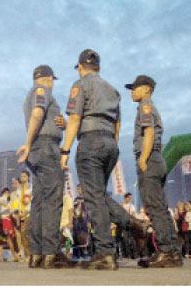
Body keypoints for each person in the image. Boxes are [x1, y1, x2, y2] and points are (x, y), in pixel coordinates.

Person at [60, 49, 121, 270]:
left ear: (79, 67)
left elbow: (75, 117)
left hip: (90, 142)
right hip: (110, 144)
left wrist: (65, 150)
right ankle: (132, 225)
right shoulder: (112, 90)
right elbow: (117, 125)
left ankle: (105, 253)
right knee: (100, 197)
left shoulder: (80, 84)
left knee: (94, 199)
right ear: (99, 68)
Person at [125, 75, 182, 268]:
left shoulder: (145, 106)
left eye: (135, 88)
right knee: (160, 207)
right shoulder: (148, 106)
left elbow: (148, 132)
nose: (132, 91)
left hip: (150, 158)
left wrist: (143, 158)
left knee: (153, 207)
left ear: (147, 89)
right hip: (158, 159)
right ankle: (173, 251)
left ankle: (165, 250)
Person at [16, 64, 68, 269]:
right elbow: (38, 114)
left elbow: (40, 116)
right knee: (52, 201)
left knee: (39, 201)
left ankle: (36, 254)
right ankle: (51, 253)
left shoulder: (29, 95)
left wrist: (60, 125)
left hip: (38, 149)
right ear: (49, 79)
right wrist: (28, 143)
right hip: (45, 147)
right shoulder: (42, 90)